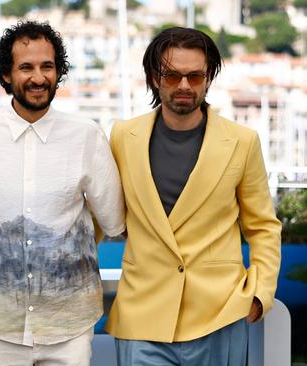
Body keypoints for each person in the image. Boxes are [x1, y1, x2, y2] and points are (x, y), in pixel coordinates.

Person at [0, 21, 125, 365]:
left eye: (47, 66)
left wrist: (64, 253)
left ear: (59, 73)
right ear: (6, 76)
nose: (38, 77)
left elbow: (113, 220)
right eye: (26, 67)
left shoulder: (86, 136)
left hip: (69, 325)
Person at [106, 27, 282, 365]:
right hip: (143, 313)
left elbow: (263, 226)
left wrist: (260, 293)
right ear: (153, 78)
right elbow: (103, 214)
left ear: (208, 78)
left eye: (195, 76)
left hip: (219, 314)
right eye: (172, 76)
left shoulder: (242, 142)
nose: (184, 86)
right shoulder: (122, 138)